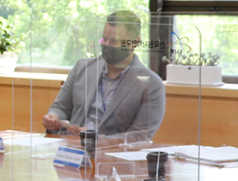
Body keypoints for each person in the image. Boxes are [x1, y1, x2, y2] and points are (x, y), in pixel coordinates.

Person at [42, 10, 165, 139]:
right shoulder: (82, 68)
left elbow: (139, 136)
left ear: (134, 43)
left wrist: (95, 138)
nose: (106, 45)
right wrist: (53, 117)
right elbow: (60, 107)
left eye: (114, 41)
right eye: (104, 39)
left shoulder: (151, 84)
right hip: (71, 149)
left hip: (113, 155)